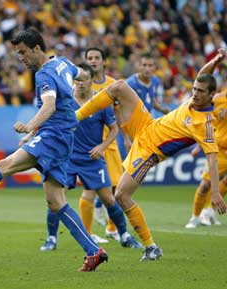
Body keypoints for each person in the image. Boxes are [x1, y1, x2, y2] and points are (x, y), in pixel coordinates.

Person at [0, 27, 108, 272]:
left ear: (37, 49)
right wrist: (78, 91)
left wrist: (29, 127)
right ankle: (94, 251)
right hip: (62, 138)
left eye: (23, 53)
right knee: (56, 201)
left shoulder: (43, 74)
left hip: (52, 137)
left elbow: (49, 105)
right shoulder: (63, 63)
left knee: (4, 166)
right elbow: (83, 74)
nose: (20, 58)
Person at [74, 48, 227, 261]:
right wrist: (217, 60)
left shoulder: (206, 125)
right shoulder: (194, 100)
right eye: (194, 89)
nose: (195, 93)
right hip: (145, 124)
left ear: (211, 94)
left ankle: (150, 246)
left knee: (121, 195)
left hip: (150, 151)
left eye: (201, 91)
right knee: (118, 86)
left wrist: (216, 192)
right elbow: (203, 72)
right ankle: (75, 117)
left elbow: (211, 156)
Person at [39, 63, 142, 252]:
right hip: (67, 158)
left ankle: (125, 236)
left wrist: (102, 147)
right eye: (76, 80)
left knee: (109, 199)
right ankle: (51, 239)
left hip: (92, 159)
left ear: (91, 81)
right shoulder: (65, 102)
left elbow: (114, 129)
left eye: (83, 80)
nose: (79, 84)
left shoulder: (101, 103)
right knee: (54, 198)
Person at [84, 47, 125, 241]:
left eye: (96, 58)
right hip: (90, 143)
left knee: (116, 188)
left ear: (103, 61)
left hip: (110, 142)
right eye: (89, 58)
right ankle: (87, 232)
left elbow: (118, 113)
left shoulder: (113, 84)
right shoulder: (81, 84)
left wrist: (125, 135)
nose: (93, 61)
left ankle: (111, 229)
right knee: (91, 189)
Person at [185, 89, 227, 228]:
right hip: (219, 150)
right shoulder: (218, 99)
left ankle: (208, 211)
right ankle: (195, 217)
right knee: (205, 185)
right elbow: (205, 121)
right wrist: (198, 147)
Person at [126, 52, 170, 117]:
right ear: (139, 66)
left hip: (147, 119)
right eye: (144, 65)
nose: (147, 69)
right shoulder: (130, 83)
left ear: (154, 67)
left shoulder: (155, 81)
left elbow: (150, 98)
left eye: (150, 65)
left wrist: (162, 110)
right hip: (134, 121)